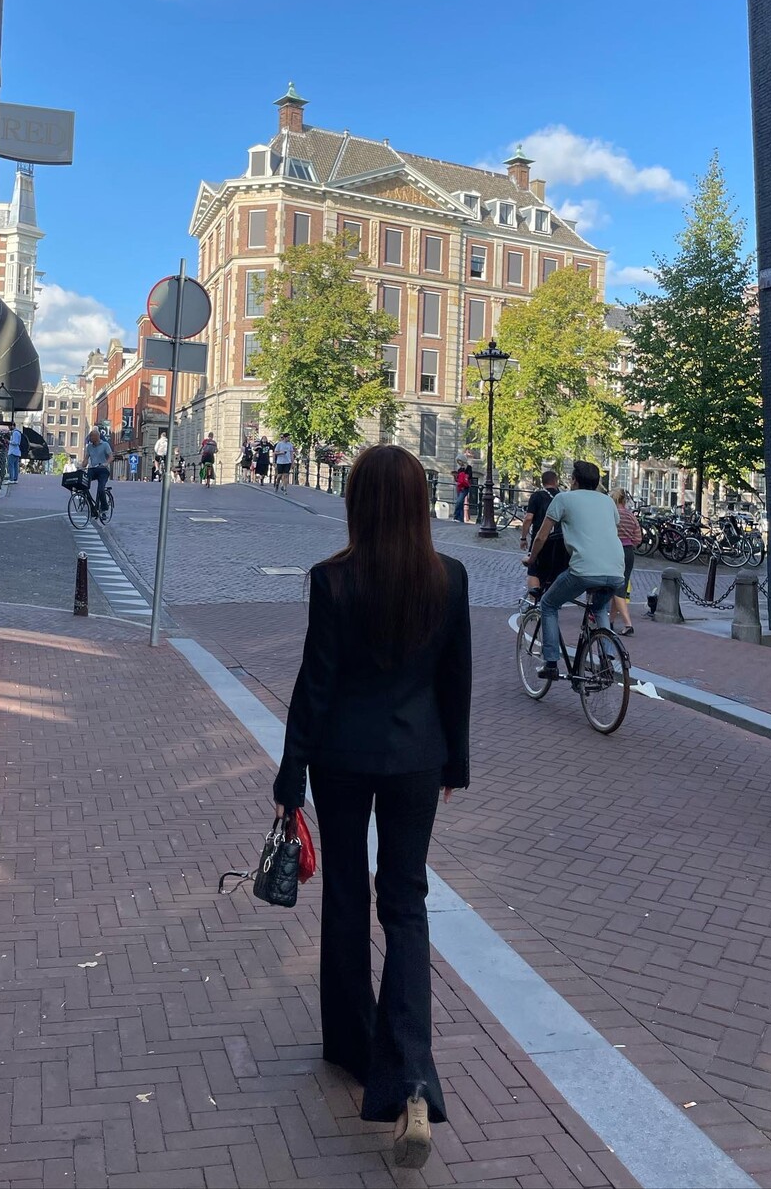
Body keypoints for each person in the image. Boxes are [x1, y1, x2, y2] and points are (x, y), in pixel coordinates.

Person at [273, 445, 471, 1170]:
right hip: (418, 756)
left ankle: (353, 1046)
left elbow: (316, 682)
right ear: (421, 504)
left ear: (356, 503)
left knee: (348, 896)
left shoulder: (333, 579)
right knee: (407, 904)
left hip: (343, 758)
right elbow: (456, 678)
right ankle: (412, 1075)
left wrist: (291, 771)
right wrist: (455, 764)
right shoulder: (449, 577)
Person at [524, 460, 625, 681]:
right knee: (600, 608)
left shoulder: (563, 499)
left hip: (584, 569)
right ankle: (606, 659)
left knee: (548, 604)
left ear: (574, 480)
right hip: (617, 570)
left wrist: (531, 558)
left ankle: (551, 663)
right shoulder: (608, 502)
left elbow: (541, 536)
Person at [520, 470, 567, 601]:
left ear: (543, 482)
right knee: (555, 572)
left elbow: (528, 518)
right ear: (556, 481)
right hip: (560, 541)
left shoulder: (537, 496)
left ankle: (534, 604)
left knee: (533, 570)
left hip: (540, 539)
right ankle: (551, 602)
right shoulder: (563, 497)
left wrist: (523, 538)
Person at [610, 488, 642, 635]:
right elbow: (638, 539)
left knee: (616, 589)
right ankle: (610, 621)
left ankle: (628, 624)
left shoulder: (612, 515)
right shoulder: (631, 516)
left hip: (614, 551)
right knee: (620, 586)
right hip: (628, 552)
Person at [80, 428, 114, 516]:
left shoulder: (105, 445)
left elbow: (111, 457)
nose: (90, 438)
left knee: (101, 489)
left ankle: (104, 507)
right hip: (93, 469)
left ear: (97, 437)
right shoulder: (89, 447)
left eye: (91, 437)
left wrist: (106, 463)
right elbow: (86, 459)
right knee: (83, 484)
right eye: (90, 437)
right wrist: (82, 466)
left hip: (103, 470)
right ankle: (92, 508)